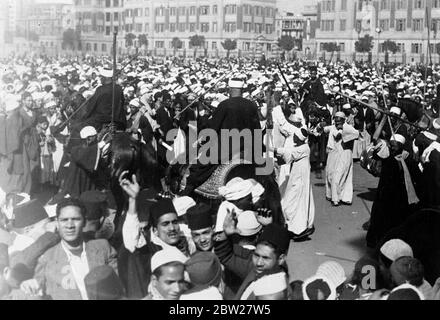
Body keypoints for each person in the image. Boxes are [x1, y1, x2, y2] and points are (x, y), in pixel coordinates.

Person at [20, 198, 118, 300]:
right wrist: (31, 286)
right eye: (64, 220)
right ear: (57, 223)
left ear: (84, 222)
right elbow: (36, 284)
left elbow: (118, 288)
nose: (70, 225)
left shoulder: (102, 247)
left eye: (76, 219)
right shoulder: (48, 258)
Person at [181, 77, 262, 195]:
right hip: (249, 147)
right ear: (242, 89)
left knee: (199, 167)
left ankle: (188, 188)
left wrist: (204, 140)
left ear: (230, 89)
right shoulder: (252, 105)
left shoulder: (224, 105)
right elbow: (257, 129)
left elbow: (213, 128)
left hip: (227, 147)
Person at [213, 211, 290, 300]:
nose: (259, 262)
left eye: (266, 258)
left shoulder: (277, 291)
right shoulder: (256, 270)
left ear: (281, 259)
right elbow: (226, 257)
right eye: (256, 255)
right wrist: (225, 234)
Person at [366, 133, 420, 249]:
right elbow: (376, 152)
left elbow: (416, 175)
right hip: (384, 193)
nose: (392, 147)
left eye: (395, 145)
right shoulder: (387, 155)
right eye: (391, 145)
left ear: (401, 145)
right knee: (380, 219)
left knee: (396, 221)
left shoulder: (408, 158)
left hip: (400, 196)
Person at [275, 125, 315, 240]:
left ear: (298, 138)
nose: (294, 138)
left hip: (299, 181)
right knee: (293, 204)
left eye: (295, 137)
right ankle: (294, 228)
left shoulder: (303, 149)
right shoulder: (301, 147)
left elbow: (288, 153)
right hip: (296, 179)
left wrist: (272, 149)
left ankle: (300, 229)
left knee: (293, 204)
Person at [323, 112, 359, 206]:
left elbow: (356, 134)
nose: (337, 122)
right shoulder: (333, 127)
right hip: (333, 154)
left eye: (339, 121)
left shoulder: (348, 127)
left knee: (339, 176)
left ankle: (337, 198)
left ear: (343, 120)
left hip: (344, 154)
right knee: (330, 174)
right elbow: (324, 129)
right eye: (336, 120)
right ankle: (332, 195)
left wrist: (343, 131)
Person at [81, 67, 126, 132]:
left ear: (105, 78)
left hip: (101, 120)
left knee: (81, 127)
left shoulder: (100, 89)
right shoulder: (119, 88)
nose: (100, 79)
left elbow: (92, 105)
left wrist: (85, 117)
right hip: (118, 119)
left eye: (101, 77)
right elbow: (122, 103)